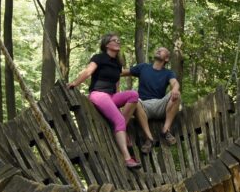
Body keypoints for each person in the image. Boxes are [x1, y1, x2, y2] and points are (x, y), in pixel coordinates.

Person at [67, 33, 143, 169]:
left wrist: (118, 100)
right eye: (115, 40)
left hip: (111, 95)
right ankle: (127, 158)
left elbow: (117, 84)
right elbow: (88, 72)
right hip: (98, 94)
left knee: (133, 94)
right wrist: (75, 83)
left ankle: (121, 128)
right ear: (107, 44)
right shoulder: (99, 58)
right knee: (119, 120)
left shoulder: (117, 63)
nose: (118, 42)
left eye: (119, 40)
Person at [126, 47, 180, 154]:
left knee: (177, 95)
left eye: (163, 50)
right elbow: (121, 72)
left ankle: (165, 130)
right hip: (143, 106)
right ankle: (149, 139)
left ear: (167, 59)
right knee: (134, 99)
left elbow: (175, 83)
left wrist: (174, 89)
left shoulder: (168, 73)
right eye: (158, 49)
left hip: (160, 106)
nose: (159, 50)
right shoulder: (143, 67)